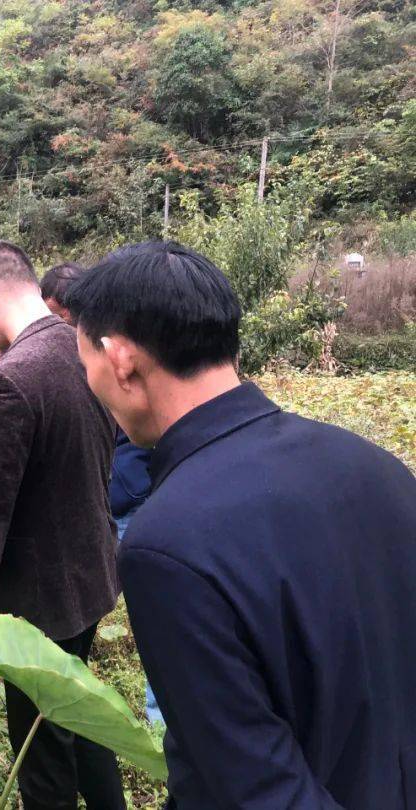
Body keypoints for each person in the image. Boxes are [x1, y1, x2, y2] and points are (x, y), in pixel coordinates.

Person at [65, 240, 416, 809]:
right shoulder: (371, 463)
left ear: (120, 357)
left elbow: (256, 788)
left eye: (87, 366)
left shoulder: (166, 545)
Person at [0, 238, 125, 810]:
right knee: (83, 712)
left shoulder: (8, 380)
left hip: (37, 602)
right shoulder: (83, 349)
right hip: (90, 574)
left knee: (41, 746)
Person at [45, 259, 160, 724]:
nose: (56, 325)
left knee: (156, 611)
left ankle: (159, 717)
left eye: (61, 316)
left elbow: (144, 434)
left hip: (130, 502)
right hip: (85, 507)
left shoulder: (115, 359)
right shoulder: (49, 363)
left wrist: (126, 486)